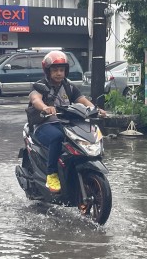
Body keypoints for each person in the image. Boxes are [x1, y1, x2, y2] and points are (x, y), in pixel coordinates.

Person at [29, 50, 106, 193]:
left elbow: (82, 100)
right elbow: (35, 100)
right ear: (47, 71)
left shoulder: (68, 86)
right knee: (58, 138)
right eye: (55, 70)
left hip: (63, 123)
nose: (59, 73)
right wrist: (45, 108)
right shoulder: (40, 85)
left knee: (82, 136)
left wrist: (96, 109)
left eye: (62, 70)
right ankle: (52, 174)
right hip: (43, 124)